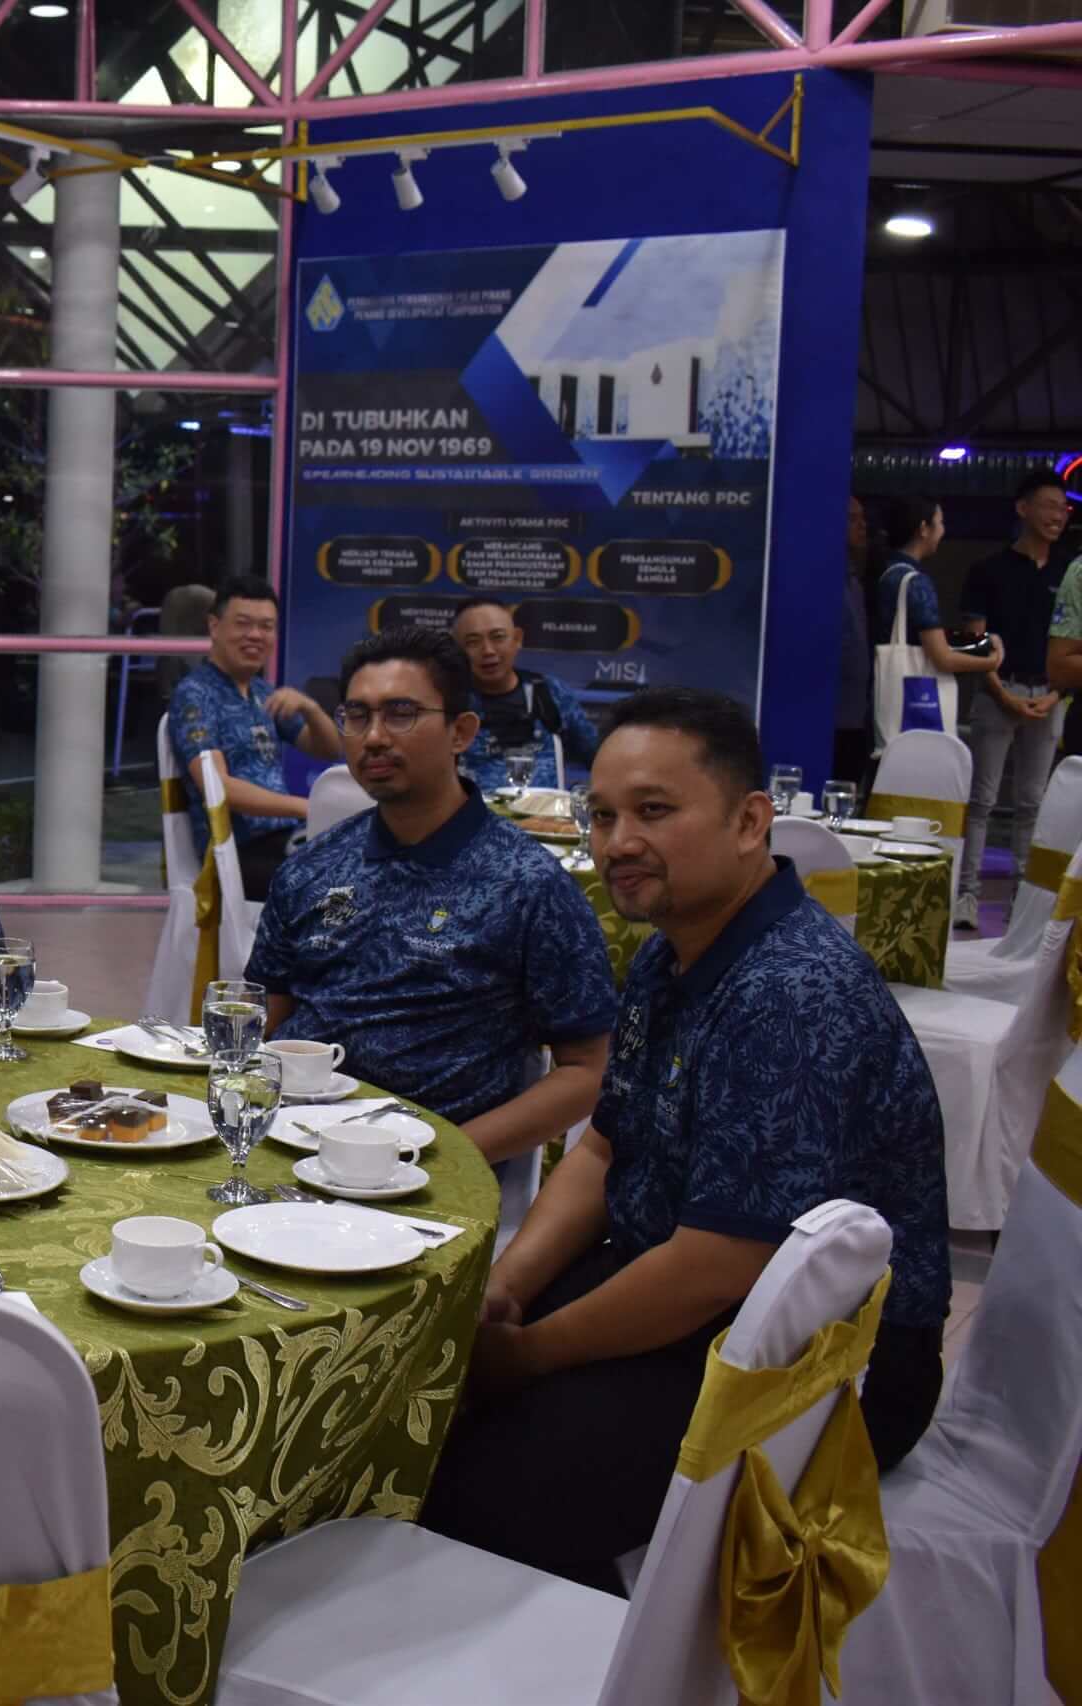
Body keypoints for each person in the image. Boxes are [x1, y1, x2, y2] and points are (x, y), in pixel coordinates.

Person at [418, 688, 950, 1591]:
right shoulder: (676, 950)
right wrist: (507, 1289)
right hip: (683, 1289)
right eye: (603, 815)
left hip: (823, 1365)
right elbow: (603, 1148)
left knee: (474, 1486)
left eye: (654, 811)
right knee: (423, 1385)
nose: (618, 842)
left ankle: (593, 1651)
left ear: (750, 821)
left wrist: (531, 1354)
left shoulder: (790, 993)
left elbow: (720, 1261)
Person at [245, 626, 615, 1177]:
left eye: (402, 714)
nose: (374, 737)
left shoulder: (527, 884)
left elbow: (587, 1070)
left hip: (425, 1173)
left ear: (461, 732)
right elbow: (261, 1017)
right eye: (357, 715)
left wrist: (447, 1157)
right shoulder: (312, 866)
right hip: (283, 1145)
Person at [165, 574, 342, 898]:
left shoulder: (263, 693)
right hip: (232, 854)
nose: (255, 635)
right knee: (339, 885)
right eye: (243, 624)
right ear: (214, 626)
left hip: (280, 841)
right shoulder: (196, 694)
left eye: (266, 626)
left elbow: (330, 749)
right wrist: (303, 807)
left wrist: (311, 708)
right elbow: (217, 786)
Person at [955, 470, 1070, 930]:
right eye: (1048, 505)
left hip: (1048, 698)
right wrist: (1001, 694)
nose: (1057, 515)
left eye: (1063, 508)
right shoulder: (987, 569)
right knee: (981, 799)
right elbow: (971, 642)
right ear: (1023, 508)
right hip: (995, 693)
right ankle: (967, 894)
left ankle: (1023, 901)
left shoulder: (1069, 573)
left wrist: (1056, 695)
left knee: (1032, 803)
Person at [873, 496, 1001, 760]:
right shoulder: (916, 582)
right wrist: (991, 659)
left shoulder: (884, 571)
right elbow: (940, 656)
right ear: (923, 528)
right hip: (915, 708)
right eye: (940, 523)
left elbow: (918, 636)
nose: (943, 530)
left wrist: (981, 642)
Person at [448, 598, 600, 792]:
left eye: (498, 637)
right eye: (473, 642)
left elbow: (600, 759)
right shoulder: (449, 701)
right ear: (457, 649)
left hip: (543, 811)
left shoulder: (551, 693)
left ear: (517, 639)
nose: (488, 651)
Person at [832, 495, 876, 788]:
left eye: (863, 518)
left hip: (856, 713)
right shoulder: (824, 581)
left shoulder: (855, 581)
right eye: (852, 519)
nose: (862, 526)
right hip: (830, 714)